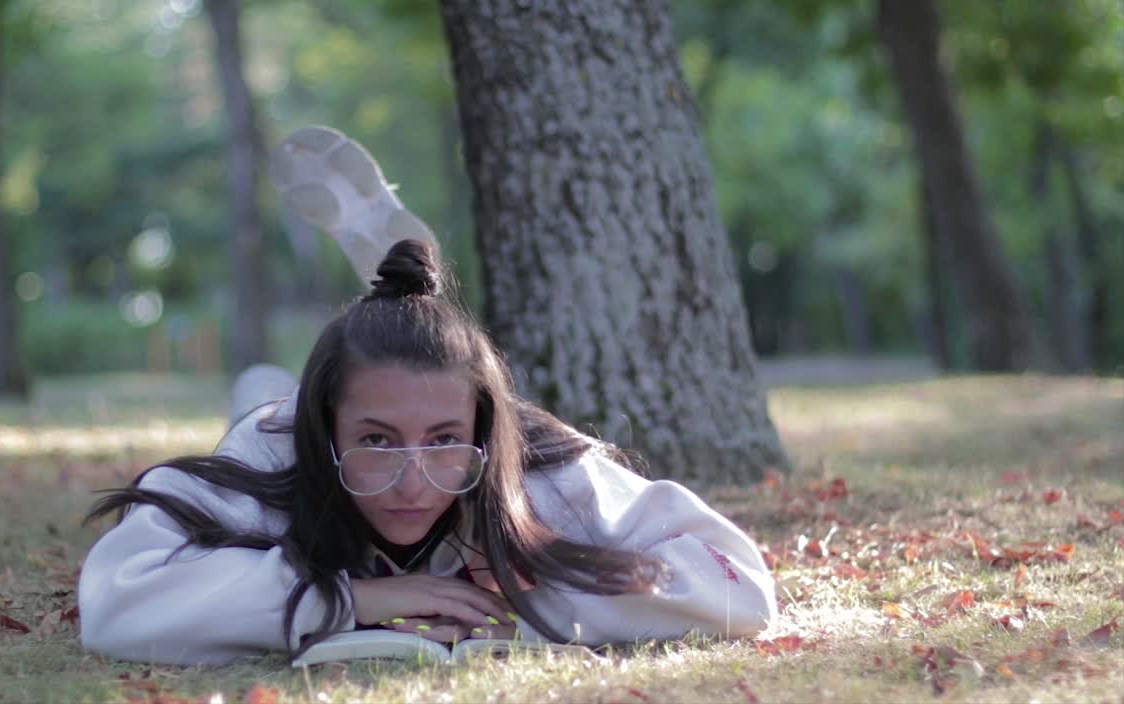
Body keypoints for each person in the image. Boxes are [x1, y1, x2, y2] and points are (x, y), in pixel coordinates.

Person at [77, 128, 777, 666]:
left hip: (446, 410)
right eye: (377, 442)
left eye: (445, 441)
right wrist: (350, 599)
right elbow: (115, 606)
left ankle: (399, 307)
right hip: (272, 417)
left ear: (482, 432)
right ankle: (349, 338)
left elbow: (740, 584)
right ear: (326, 435)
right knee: (260, 388)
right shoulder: (273, 458)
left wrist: (518, 594)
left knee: (408, 390)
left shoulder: (544, 473)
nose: (413, 483)